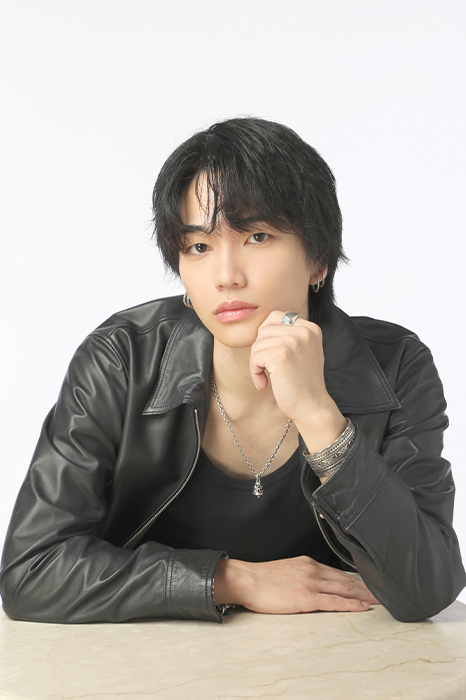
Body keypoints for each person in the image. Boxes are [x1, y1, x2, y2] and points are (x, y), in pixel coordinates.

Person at [0, 117, 464, 624]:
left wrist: (320, 419)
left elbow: (427, 589)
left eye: (257, 236)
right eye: (199, 247)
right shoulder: (120, 360)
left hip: (336, 657)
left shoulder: (394, 366)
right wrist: (233, 580)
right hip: (147, 661)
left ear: (318, 259)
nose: (226, 277)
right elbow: (30, 571)